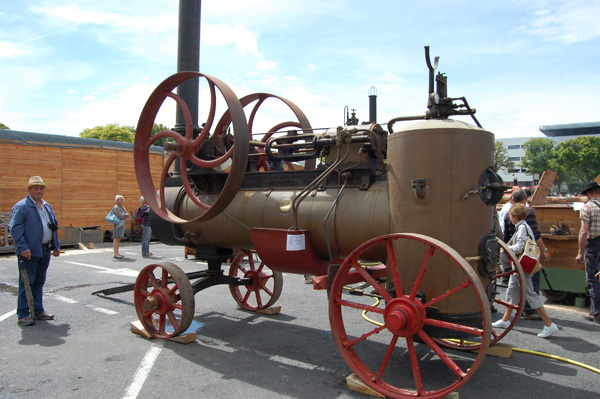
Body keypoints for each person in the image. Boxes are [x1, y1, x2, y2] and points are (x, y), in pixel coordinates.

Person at [493, 204, 559, 338]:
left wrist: (505, 249)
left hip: (521, 267)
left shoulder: (522, 228)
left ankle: (549, 324)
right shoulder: (524, 227)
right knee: (512, 292)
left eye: (511, 216)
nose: (510, 219)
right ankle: (505, 320)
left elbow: (520, 247)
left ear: (515, 217)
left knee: (530, 294)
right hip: (519, 268)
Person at [10, 176, 60, 326]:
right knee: (27, 283)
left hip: (44, 249)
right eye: (36, 188)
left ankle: (38, 311)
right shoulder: (22, 207)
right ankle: (23, 314)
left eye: (41, 188)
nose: (39, 191)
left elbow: (53, 226)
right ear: (29, 189)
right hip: (29, 252)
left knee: (39, 282)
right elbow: (15, 229)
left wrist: (56, 245)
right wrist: (23, 247)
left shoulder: (46, 206)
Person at [501, 188, 550, 319]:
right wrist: (544, 250)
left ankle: (547, 322)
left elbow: (511, 240)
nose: (510, 218)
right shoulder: (528, 215)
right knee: (517, 290)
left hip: (520, 261)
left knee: (526, 291)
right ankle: (509, 317)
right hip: (521, 260)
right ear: (526, 198)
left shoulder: (517, 222)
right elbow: (536, 234)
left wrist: (505, 250)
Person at [575, 181, 600, 323]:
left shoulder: (588, 208)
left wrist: (580, 252)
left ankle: (596, 312)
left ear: (589, 193)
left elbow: (584, 232)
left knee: (593, 279)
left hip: (594, 245)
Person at [112, 195, 129, 259]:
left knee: (119, 238)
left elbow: (127, 214)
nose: (121, 200)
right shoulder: (116, 207)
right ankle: (115, 253)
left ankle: (117, 252)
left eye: (122, 199)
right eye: (119, 199)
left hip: (122, 223)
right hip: (118, 224)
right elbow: (120, 216)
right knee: (116, 238)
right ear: (116, 200)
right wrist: (124, 215)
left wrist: (124, 215)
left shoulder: (122, 207)